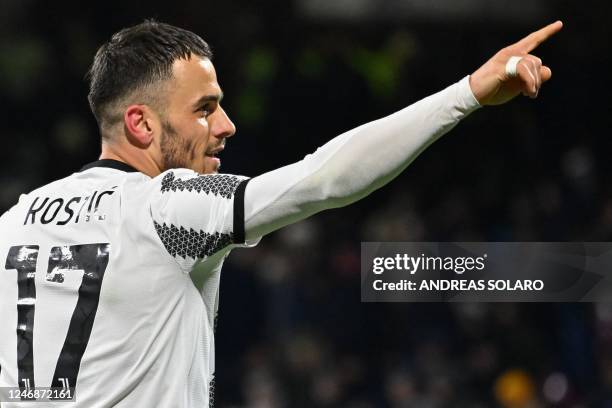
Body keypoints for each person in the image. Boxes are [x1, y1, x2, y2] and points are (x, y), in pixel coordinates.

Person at [0, 19, 562, 407]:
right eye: (205, 109)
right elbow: (324, 179)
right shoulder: (163, 206)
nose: (227, 126)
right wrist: (466, 94)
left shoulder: (12, 223)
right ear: (142, 124)